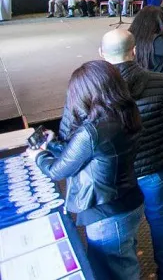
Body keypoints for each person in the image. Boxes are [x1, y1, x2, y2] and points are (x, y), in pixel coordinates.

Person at [29, 60, 144, 279]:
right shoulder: (126, 113)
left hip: (107, 212)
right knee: (123, 261)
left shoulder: (93, 131)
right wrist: (53, 145)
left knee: (116, 270)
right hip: (128, 199)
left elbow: (56, 171)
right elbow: (93, 155)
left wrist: (39, 156)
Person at [99, 30, 163, 280]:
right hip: (154, 164)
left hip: (115, 172)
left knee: (123, 223)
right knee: (160, 218)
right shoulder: (158, 80)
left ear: (101, 54)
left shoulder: (94, 90)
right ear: (135, 51)